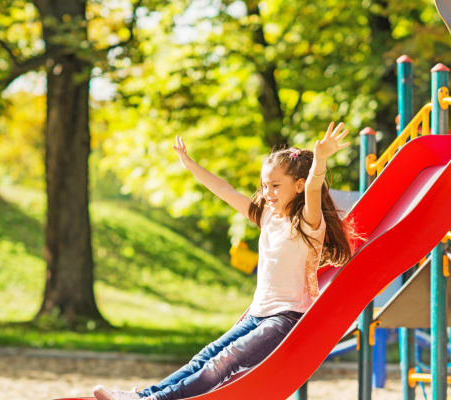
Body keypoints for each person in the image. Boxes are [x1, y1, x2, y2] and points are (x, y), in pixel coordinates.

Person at [93, 122, 355, 400]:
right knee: (204, 356)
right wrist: (190, 165)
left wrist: (321, 161)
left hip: (286, 319)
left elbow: (315, 189)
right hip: (257, 314)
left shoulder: (308, 223)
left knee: (224, 361)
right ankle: (143, 395)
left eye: (276, 186)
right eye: (264, 185)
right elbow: (226, 191)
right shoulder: (267, 216)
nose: (268, 192)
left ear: (298, 186)